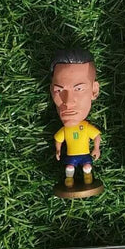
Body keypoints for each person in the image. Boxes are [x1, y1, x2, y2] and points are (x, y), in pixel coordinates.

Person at [50, 49, 103, 194]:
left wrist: (96, 148)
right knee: (69, 169)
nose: (68, 102)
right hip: (71, 158)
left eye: (78, 89)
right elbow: (58, 140)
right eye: (59, 91)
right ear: (51, 90)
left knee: (87, 168)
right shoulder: (65, 131)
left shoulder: (85, 127)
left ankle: (87, 178)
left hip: (85, 156)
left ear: (94, 90)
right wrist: (58, 150)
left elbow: (96, 136)